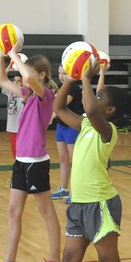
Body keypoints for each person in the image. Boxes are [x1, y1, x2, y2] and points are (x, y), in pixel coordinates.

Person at [24, 62, 131, 262]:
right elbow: (59, 108)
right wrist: (71, 78)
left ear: (109, 111)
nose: (94, 98)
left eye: (101, 97)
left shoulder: (106, 131)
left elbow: (89, 107)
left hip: (101, 204)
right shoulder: (87, 124)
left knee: (108, 259)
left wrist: (86, 78)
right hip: (78, 204)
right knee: (69, 259)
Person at [0, 47, 62, 262]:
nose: (24, 73)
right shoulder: (26, 95)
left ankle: (55, 261)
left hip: (36, 161)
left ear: (42, 75)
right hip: (21, 160)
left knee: (46, 212)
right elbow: (1, 79)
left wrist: (15, 52)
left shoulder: (46, 96)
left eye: (29, 71)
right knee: (13, 211)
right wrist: (2, 52)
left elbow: (26, 76)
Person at [50, 65, 82, 201]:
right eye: (59, 73)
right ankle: (64, 188)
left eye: (64, 73)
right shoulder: (59, 86)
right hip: (61, 127)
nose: (61, 76)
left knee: (75, 161)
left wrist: (49, 118)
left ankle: (76, 192)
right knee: (63, 159)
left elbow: (60, 104)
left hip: (72, 126)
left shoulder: (73, 87)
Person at [2, 59, 24, 159]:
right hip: (12, 127)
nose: (16, 83)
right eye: (14, 80)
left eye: (19, 81)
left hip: (21, 128)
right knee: (15, 153)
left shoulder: (24, 94)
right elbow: (1, 80)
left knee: (21, 152)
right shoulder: (10, 92)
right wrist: (7, 69)